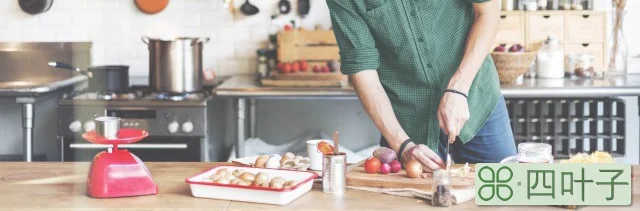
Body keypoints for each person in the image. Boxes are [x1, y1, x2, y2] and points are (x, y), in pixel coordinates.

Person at [327, 0, 516, 172]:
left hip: (477, 99)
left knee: (504, 194)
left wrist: (459, 88)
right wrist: (403, 145)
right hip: (406, 122)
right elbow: (362, 67)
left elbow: (488, 12)